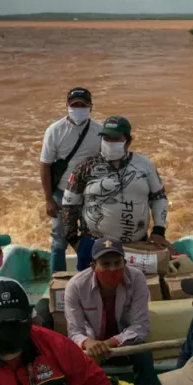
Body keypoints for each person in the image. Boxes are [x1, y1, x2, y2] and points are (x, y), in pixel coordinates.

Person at [61, 115, 169, 271]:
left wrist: (159, 231)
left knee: (135, 288)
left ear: (129, 141)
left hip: (136, 245)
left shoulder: (145, 165)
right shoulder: (85, 167)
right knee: (93, 291)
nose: (110, 143)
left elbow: (159, 198)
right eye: (106, 138)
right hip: (94, 246)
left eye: (116, 139)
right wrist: (74, 241)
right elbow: (69, 203)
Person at [63, 238, 159, 385]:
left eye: (117, 263)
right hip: (91, 350)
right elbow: (74, 332)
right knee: (74, 372)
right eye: (106, 264)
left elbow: (141, 326)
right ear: (94, 266)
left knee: (144, 354)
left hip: (124, 345)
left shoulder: (136, 278)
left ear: (125, 262)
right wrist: (88, 343)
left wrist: (110, 343)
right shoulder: (76, 286)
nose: (113, 269)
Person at [40, 87, 103, 274]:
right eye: (74, 105)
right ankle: (57, 280)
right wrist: (48, 199)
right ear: (66, 106)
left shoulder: (99, 131)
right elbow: (45, 166)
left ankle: (89, 276)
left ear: (91, 107)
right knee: (59, 240)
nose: (78, 109)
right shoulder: (54, 131)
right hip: (61, 192)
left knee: (90, 237)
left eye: (83, 105)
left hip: (89, 194)